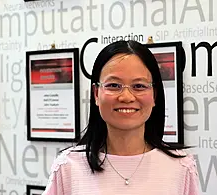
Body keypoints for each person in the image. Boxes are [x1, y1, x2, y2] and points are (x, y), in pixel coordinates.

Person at [42, 40, 199, 195]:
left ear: (154, 95)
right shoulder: (68, 167)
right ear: (96, 94)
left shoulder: (181, 167)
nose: (126, 97)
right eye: (114, 85)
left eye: (139, 86)